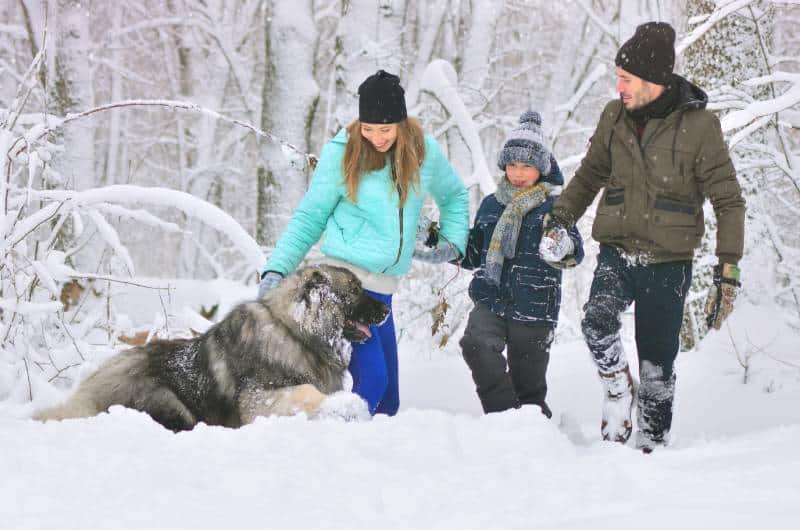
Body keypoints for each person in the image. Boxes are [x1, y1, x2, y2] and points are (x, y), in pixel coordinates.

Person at [539, 22, 745, 452]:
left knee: (657, 360)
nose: (619, 88)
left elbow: (728, 200)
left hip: (669, 260)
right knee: (596, 322)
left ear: (653, 80)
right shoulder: (614, 116)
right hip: (617, 249)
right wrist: (561, 218)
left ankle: (652, 442)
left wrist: (728, 269)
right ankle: (617, 389)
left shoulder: (700, 126)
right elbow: (591, 173)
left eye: (627, 79)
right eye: (618, 78)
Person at [258, 70, 469, 416]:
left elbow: (455, 195)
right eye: (368, 129)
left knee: (389, 402)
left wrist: (452, 240)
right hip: (343, 290)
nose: (376, 138)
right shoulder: (343, 153)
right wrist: (277, 269)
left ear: (401, 123)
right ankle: (319, 449)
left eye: (385, 130)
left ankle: (368, 466)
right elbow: (310, 217)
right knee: (372, 384)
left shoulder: (423, 152)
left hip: (382, 292)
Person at [454, 110, 584, 418]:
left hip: (535, 307)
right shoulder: (491, 204)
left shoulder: (554, 208)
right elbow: (473, 254)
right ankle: (505, 421)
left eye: (526, 165)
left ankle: (536, 436)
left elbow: (574, 252)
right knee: (475, 344)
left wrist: (562, 245)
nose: (518, 173)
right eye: (512, 164)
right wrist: (438, 242)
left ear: (541, 168)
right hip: (491, 298)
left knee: (530, 390)